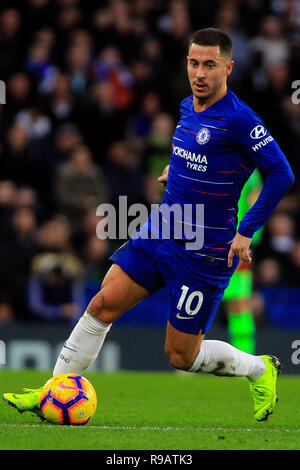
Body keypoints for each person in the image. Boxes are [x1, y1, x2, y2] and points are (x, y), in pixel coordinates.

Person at [3, 28, 294, 423]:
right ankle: (54, 391)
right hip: (163, 230)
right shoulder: (188, 106)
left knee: (180, 355)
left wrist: (247, 230)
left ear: (229, 67)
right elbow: (198, 155)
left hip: (204, 251)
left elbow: (281, 174)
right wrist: (174, 173)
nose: (200, 73)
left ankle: (261, 369)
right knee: (102, 303)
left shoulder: (241, 120)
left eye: (210, 65)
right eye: (194, 63)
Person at [222, 169, 264, 354]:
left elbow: (258, 207)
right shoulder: (212, 161)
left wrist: (248, 239)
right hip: (208, 240)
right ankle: (188, 357)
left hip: (237, 244)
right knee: (200, 296)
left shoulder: (250, 172)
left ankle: (245, 355)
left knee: (238, 303)